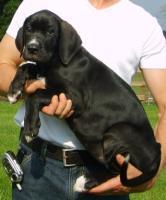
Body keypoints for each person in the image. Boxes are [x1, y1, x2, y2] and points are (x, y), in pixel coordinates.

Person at [0, 0, 166, 199]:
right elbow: (3, 62)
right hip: (39, 167)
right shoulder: (39, 3)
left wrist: (149, 171)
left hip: (106, 167)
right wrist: (28, 89)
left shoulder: (144, 23)